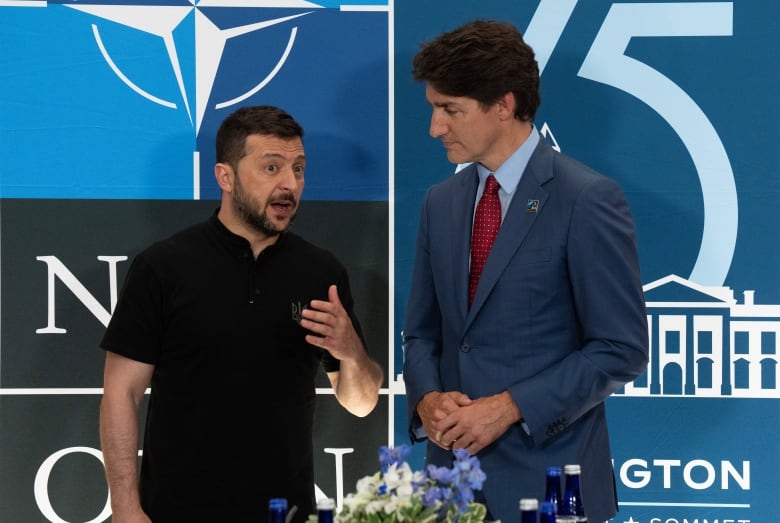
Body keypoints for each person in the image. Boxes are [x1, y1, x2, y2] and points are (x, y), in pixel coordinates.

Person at [402, 19, 649, 523]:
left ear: (504, 104)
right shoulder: (440, 202)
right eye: (433, 109)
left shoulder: (587, 199)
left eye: (450, 110)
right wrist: (426, 400)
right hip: (449, 489)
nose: (435, 127)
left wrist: (510, 406)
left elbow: (620, 348)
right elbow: (422, 334)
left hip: (552, 486)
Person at [99, 105, 384, 523]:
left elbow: (360, 403)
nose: (290, 184)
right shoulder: (163, 267)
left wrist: (353, 352)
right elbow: (121, 394)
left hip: (285, 513)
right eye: (272, 168)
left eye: (299, 169)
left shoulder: (321, 272)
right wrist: (125, 506)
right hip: (177, 511)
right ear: (225, 177)